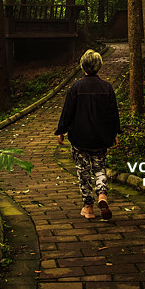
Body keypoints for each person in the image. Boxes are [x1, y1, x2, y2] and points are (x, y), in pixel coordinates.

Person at [55, 49, 121, 220]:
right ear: (99, 66)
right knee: (100, 168)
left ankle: (88, 207)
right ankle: (102, 194)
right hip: (101, 137)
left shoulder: (76, 87)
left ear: (83, 66)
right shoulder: (106, 87)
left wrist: (61, 130)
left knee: (83, 172)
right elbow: (113, 113)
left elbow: (68, 111)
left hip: (80, 137)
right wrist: (115, 132)